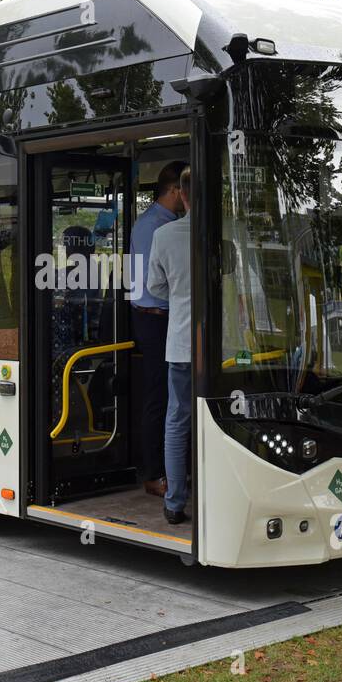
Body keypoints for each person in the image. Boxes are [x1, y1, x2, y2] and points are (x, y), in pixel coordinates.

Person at [129, 160, 187, 498]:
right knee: (160, 396)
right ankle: (154, 473)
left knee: (170, 396)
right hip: (155, 317)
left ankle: (170, 468)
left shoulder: (157, 223)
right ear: (175, 191)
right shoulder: (156, 228)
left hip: (158, 315)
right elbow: (158, 282)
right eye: (186, 191)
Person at [146, 167, 193, 524]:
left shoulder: (164, 236)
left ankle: (175, 503)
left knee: (177, 420)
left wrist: (179, 297)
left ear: (183, 195)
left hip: (180, 345)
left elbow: (155, 288)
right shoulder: (222, 236)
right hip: (219, 349)